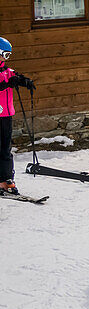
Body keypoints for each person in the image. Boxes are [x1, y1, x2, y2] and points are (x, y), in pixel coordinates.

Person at [0, 37, 35, 195]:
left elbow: (16, 76)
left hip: (6, 115)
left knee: (6, 149)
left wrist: (24, 81)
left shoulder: (7, 71)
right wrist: (8, 83)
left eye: (8, 55)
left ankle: (7, 179)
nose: (6, 58)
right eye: (4, 55)